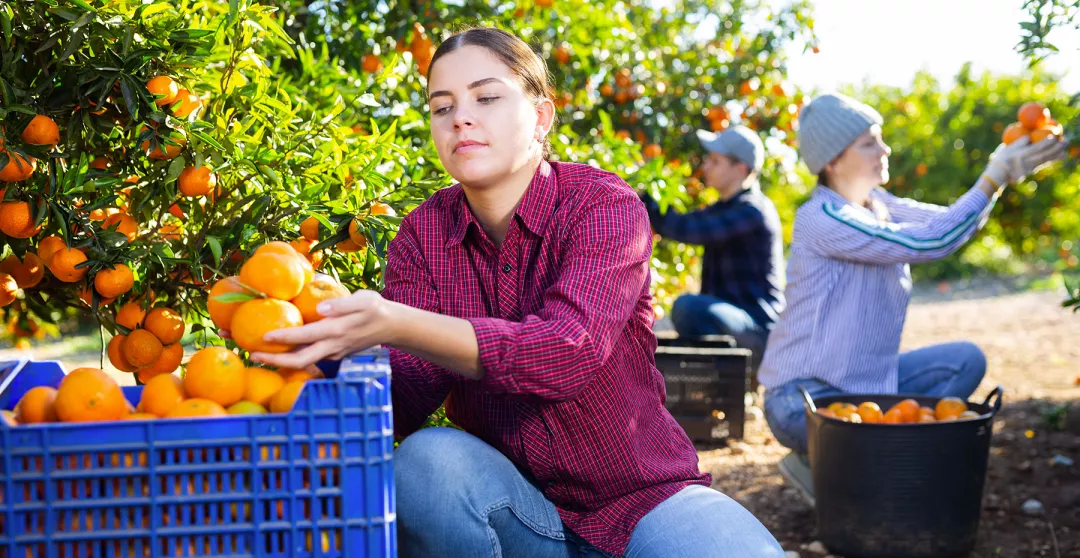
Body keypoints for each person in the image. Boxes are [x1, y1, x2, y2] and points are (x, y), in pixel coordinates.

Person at [249, 27, 785, 558]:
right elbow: (408, 394)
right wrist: (321, 357)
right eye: (442, 106)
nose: (461, 117)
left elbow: (567, 350)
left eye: (486, 97)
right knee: (428, 461)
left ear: (541, 117)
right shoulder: (423, 235)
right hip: (516, 511)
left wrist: (397, 323)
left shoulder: (603, 206)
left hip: (645, 504)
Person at [757, 92, 1068, 506]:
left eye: (880, 138)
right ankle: (820, 463)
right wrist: (991, 177)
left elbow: (947, 223)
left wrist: (1002, 173)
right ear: (832, 161)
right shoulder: (822, 218)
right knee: (866, 452)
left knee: (964, 361)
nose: (884, 149)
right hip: (800, 401)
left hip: (865, 392)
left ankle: (846, 461)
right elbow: (932, 242)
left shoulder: (880, 206)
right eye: (869, 142)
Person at [640, 126, 784, 361]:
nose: (705, 166)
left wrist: (646, 201)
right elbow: (685, 221)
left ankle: (737, 377)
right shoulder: (724, 208)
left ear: (740, 169)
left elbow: (688, 230)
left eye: (715, 161)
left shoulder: (753, 211)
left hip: (757, 329)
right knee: (692, 309)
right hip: (733, 321)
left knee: (688, 307)